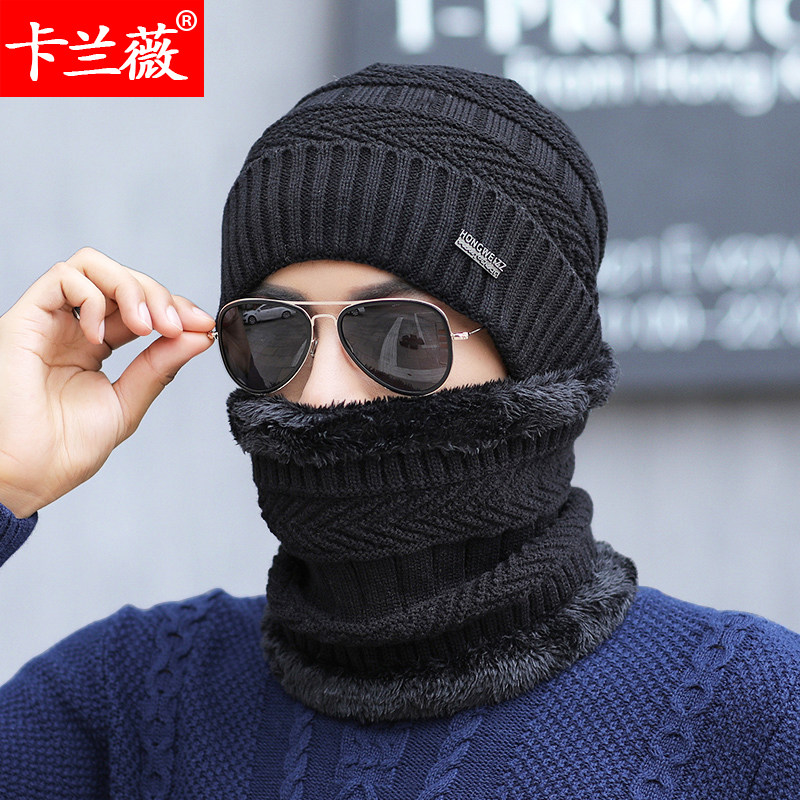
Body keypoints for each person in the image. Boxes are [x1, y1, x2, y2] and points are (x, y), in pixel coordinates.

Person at [0, 62, 798, 799]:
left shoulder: (753, 717)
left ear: (537, 366)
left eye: (399, 336)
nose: (320, 393)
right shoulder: (128, 703)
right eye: (274, 335)